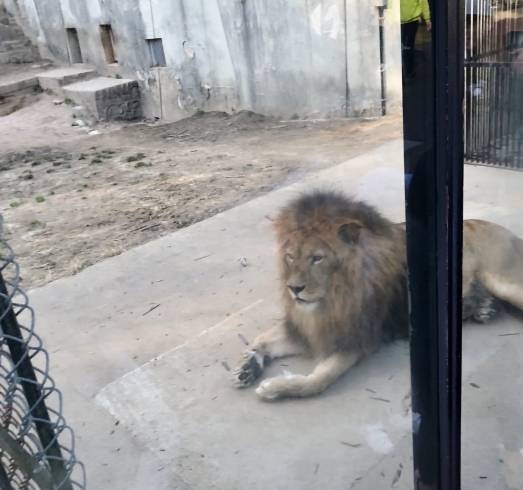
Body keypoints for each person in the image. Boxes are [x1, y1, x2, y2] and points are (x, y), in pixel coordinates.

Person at [400, 0, 432, 82]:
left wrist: (427, 19)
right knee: (401, 48)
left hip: (412, 21)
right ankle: (405, 72)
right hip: (396, 22)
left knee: (408, 48)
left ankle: (408, 72)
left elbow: (423, 2)